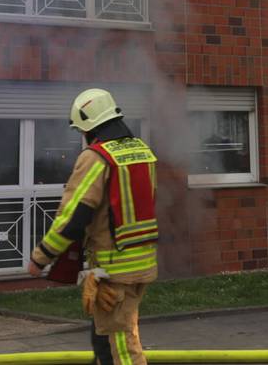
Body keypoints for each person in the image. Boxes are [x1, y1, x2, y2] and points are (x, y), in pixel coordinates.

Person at [27, 88, 158, 365]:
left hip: (114, 269)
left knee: (119, 347)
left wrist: (41, 257)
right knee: (102, 339)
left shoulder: (96, 158)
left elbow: (75, 215)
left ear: (89, 126)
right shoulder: (142, 152)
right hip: (141, 264)